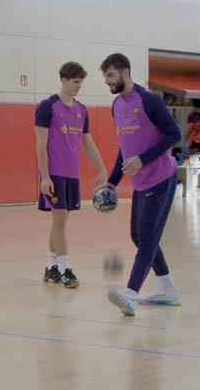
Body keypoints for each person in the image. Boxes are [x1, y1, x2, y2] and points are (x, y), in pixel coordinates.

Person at [98, 53, 184, 316]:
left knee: (147, 238)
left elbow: (174, 134)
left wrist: (143, 159)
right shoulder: (116, 106)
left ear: (125, 72)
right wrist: (112, 182)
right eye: (105, 77)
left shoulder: (149, 101)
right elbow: (125, 149)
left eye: (110, 75)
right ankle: (168, 289)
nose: (107, 82)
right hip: (140, 182)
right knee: (138, 236)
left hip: (161, 178)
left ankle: (131, 294)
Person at [35, 61, 108, 288]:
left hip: (72, 174)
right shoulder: (47, 106)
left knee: (61, 221)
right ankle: (66, 269)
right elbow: (40, 144)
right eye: (76, 82)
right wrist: (45, 177)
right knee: (59, 220)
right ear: (64, 80)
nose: (79, 86)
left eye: (81, 82)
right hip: (54, 173)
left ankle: (52, 267)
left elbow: (88, 142)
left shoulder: (82, 110)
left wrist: (102, 168)